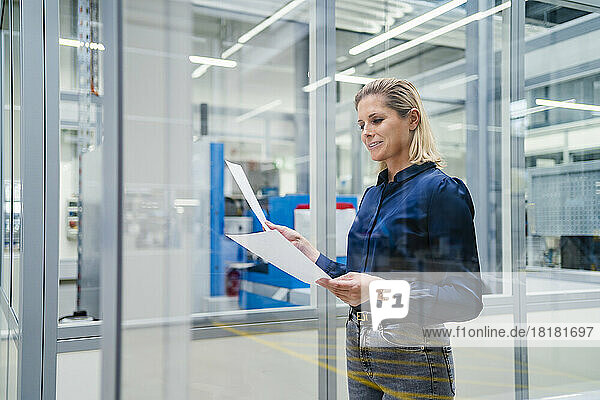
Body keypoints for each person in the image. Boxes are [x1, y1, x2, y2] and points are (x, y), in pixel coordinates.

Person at [266, 78, 482, 399]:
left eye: (377, 120)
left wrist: (380, 292)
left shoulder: (442, 191)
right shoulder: (372, 196)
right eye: (361, 124)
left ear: (412, 119)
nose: (366, 131)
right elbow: (360, 282)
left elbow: (466, 298)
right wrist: (307, 251)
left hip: (412, 350)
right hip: (359, 341)